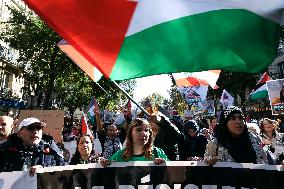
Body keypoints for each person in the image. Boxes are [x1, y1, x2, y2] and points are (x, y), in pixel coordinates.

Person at [0, 117, 65, 172]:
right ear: (19, 133)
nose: (35, 131)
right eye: (30, 128)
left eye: (39, 128)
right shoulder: (4, 149)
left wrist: (45, 171)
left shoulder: (51, 150)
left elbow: (65, 170)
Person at [100, 118, 168, 166]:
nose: (144, 133)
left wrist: (164, 165)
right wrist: (104, 163)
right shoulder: (118, 156)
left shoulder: (158, 153)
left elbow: (172, 175)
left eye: (147, 130)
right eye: (139, 130)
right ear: (130, 134)